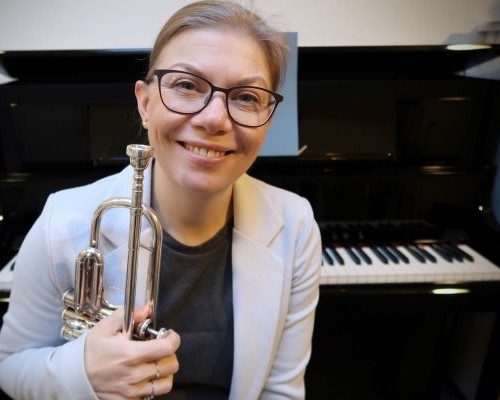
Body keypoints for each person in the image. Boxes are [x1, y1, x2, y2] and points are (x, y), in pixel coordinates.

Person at [0, 0, 322, 399]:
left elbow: (281, 391)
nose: (214, 120)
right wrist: (82, 372)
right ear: (145, 103)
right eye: (186, 85)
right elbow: (9, 367)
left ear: (267, 119)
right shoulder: (62, 220)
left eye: (246, 97)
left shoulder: (296, 222)